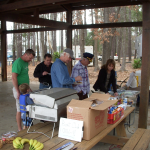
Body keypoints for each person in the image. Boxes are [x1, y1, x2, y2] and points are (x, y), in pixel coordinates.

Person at [12, 49, 35, 131]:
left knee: (27, 109)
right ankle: (20, 129)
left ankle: (26, 127)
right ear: (26, 54)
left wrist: (29, 88)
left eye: (31, 58)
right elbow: (14, 77)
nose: (30, 60)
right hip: (19, 89)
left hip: (25, 89)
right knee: (20, 109)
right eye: (30, 58)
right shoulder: (18, 62)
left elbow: (24, 75)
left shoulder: (25, 62)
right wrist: (17, 91)